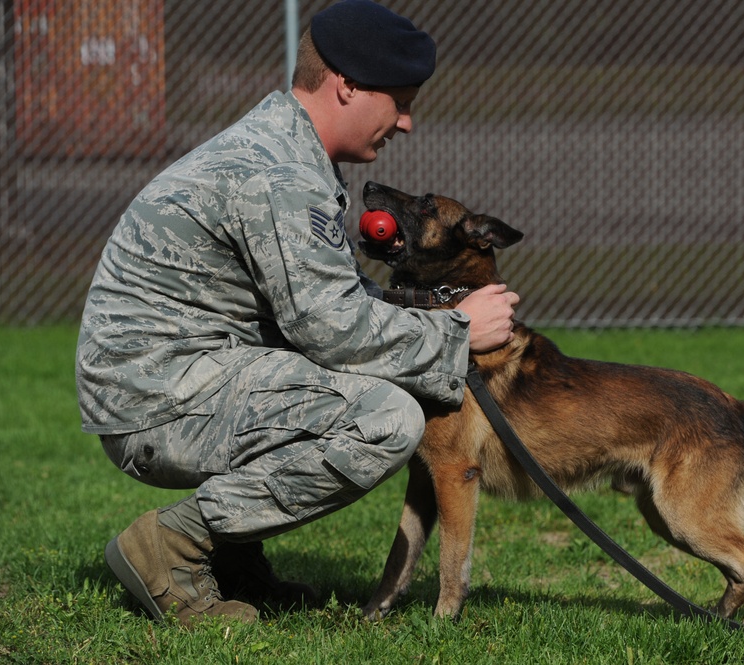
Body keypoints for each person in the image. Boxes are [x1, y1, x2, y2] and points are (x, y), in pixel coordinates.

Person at [76, 0, 518, 625]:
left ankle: (233, 563)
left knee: (350, 385)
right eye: (401, 100)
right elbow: (332, 330)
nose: (408, 121)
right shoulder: (279, 174)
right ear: (348, 86)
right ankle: (170, 547)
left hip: (172, 378)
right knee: (385, 419)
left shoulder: (286, 152)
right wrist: (458, 334)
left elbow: (332, 304)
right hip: (154, 400)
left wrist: (441, 324)